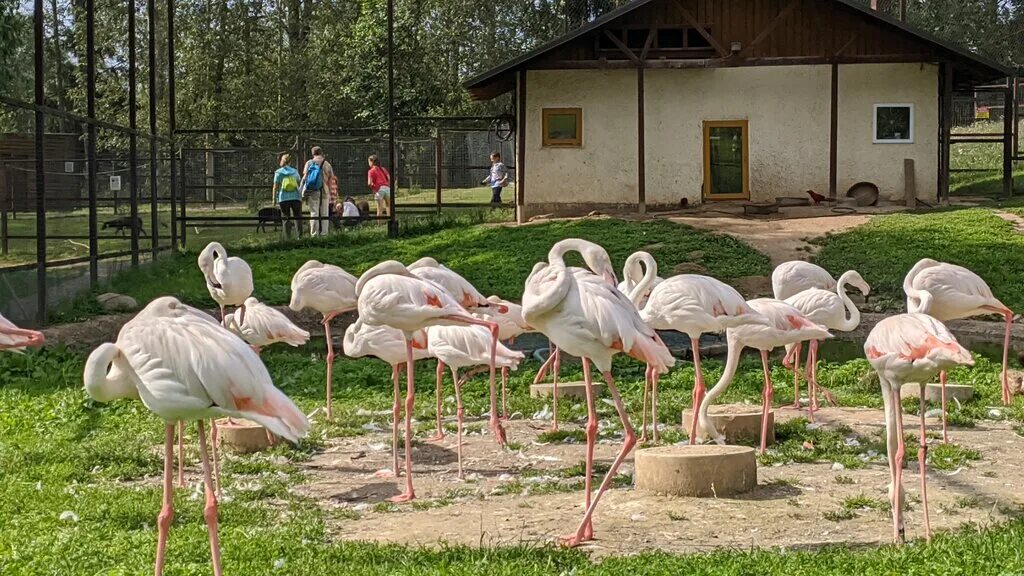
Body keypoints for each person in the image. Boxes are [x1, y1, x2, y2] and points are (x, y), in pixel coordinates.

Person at [301, 145, 335, 236]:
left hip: (313, 191)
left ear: (313, 154)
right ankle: (324, 233)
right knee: (325, 213)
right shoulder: (327, 164)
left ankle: (314, 234)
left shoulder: (309, 163)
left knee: (314, 213)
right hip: (325, 191)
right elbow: (331, 178)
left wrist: (302, 189)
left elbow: (305, 177)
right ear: (321, 153)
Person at [272, 153, 303, 239]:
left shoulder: (278, 172)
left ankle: (287, 238)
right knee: (298, 217)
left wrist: (274, 198)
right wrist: (301, 196)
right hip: (296, 197)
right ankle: (299, 237)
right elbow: (299, 183)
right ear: (290, 162)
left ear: (282, 161)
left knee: (286, 218)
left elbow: (275, 186)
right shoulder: (295, 171)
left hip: (283, 198)